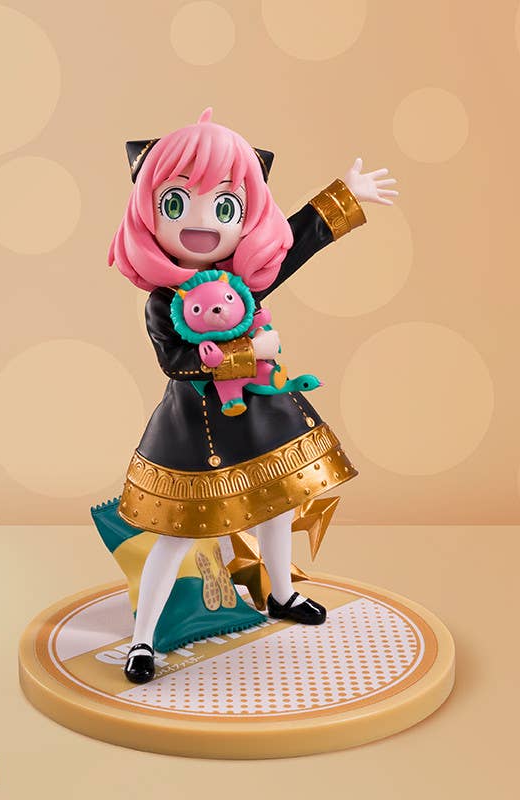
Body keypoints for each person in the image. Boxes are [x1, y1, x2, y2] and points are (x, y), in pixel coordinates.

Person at [107, 108, 398, 683]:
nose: (201, 222)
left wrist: (344, 196)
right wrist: (248, 351)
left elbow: (296, 244)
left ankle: (280, 593)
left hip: (260, 417)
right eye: (175, 203)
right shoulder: (163, 300)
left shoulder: (243, 278)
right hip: (194, 432)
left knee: (279, 505)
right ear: (146, 213)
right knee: (176, 535)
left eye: (224, 207)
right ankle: (143, 640)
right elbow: (175, 362)